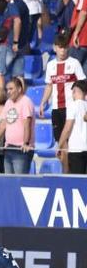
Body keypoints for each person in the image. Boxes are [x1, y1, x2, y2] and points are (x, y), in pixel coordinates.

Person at [39, 34, 86, 172]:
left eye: (65, 47)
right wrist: (42, 102)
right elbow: (49, 86)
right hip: (56, 109)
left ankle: (69, 173)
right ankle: (66, 173)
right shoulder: (51, 65)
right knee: (61, 144)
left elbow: (83, 84)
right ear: (55, 48)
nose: (63, 50)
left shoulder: (74, 63)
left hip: (71, 109)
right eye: (60, 47)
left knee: (70, 143)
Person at [0, 77, 35, 174]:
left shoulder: (26, 102)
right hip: (9, 147)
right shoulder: (8, 102)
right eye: (7, 89)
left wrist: (26, 143)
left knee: (19, 181)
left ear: (19, 89)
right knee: (9, 181)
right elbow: (3, 124)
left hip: (21, 149)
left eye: (11, 89)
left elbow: (27, 123)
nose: (8, 92)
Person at [59, 80, 87, 174]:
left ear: (75, 91)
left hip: (76, 149)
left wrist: (59, 145)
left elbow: (67, 128)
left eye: (73, 92)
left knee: (77, 183)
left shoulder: (73, 106)